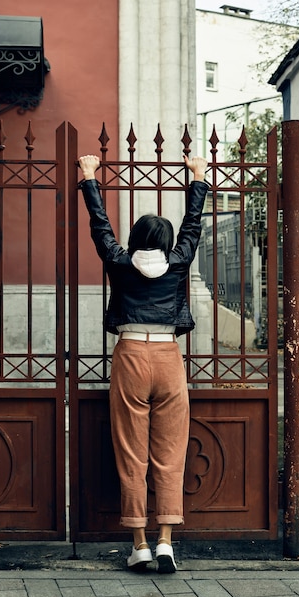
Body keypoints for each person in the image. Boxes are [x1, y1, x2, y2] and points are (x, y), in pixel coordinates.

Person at [78, 153, 208, 573]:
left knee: (132, 452)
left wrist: (89, 177)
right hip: (168, 357)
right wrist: (199, 178)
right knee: (170, 452)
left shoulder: (118, 261)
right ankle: (166, 541)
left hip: (131, 355)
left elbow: (101, 227)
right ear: (167, 244)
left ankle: (139, 543)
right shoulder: (179, 261)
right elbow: (192, 226)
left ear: (136, 238)